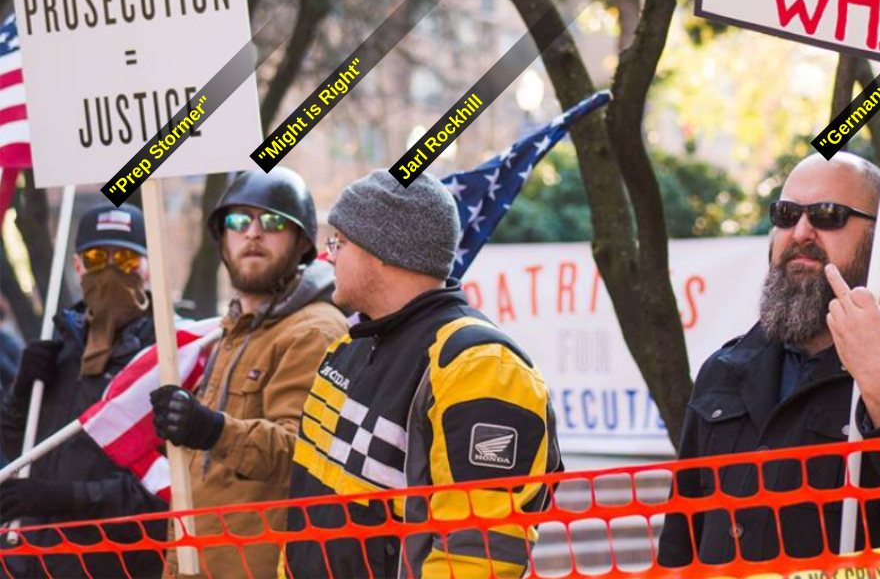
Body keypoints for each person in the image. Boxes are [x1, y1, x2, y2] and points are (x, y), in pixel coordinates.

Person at [657, 153, 880, 565]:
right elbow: (680, 543)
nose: (801, 232)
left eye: (827, 215)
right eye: (786, 214)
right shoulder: (725, 368)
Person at [278, 171, 562, 579]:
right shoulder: (348, 347)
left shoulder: (480, 367)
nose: (329, 256)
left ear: (384, 252)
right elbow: (305, 516)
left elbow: (476, 558)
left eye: (339, 242)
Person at [150, 167, 349, 579]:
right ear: (222, 240)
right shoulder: (234, 331)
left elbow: (306, 457)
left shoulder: (313, 331)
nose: (253, 233)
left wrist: (211, 430)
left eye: (273, 221)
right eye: (238, 221)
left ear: (300, 241)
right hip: (199, 563)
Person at [0, 204, 166, 579]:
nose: (108, 270)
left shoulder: (168, 355)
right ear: (77, 266)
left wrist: (67, 496)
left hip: (115, 565)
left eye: (124, 258)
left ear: (147, 267)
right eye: (95, 258)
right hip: (30, 560)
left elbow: (164, 488)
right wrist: (21, 391)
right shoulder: (59, 346)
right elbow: (16, 447)